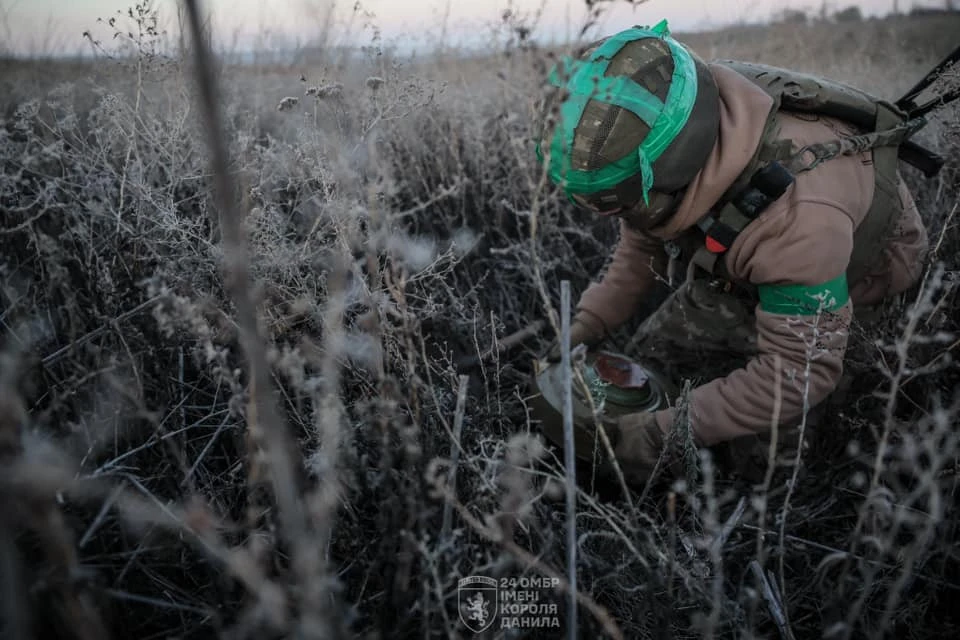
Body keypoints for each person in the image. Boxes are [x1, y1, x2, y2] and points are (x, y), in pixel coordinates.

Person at [533, 20, 930, 486]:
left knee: (762, 476)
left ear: (677, 167)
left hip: (853, 281)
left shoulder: (798, 219)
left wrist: (667, 433)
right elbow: (642, 245)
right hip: (756, 260)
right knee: (651, 368)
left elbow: (798, 374)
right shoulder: (673, 110)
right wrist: (583, 328)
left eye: (616, 202)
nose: (605, 215)